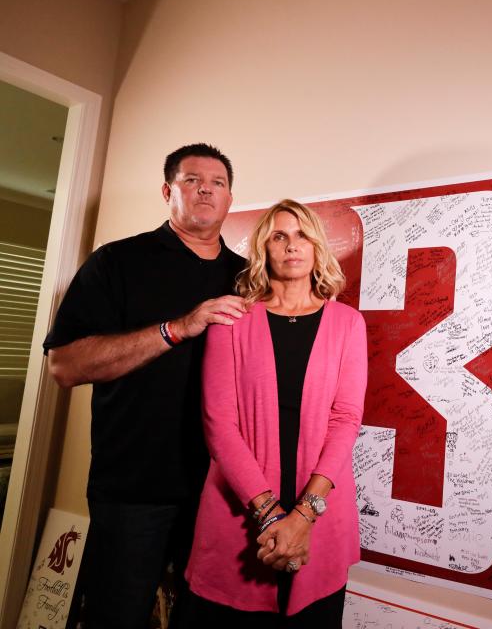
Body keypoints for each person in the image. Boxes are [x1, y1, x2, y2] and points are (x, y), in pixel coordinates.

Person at [44, 143, 247, 628]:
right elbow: (64, 366)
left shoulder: (245, 278)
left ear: (229, 199)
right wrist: (175, 329)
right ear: (167, 191)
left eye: (217, 183)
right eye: (192, 180)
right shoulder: (117, 262)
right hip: (134, 488)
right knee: (118, 618)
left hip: (221, 489)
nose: (205, 190)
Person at [177, 200, 367, 627]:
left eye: (302, 235)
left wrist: (302, 517)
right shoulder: (231, 320)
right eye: (279, 236)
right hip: (239, 512)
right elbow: (219, 425)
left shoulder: (348, 324)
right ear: (264, 248)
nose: (291, 245)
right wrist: (270, 515)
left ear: (317, 246)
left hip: (320, 514)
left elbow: (346, 419)